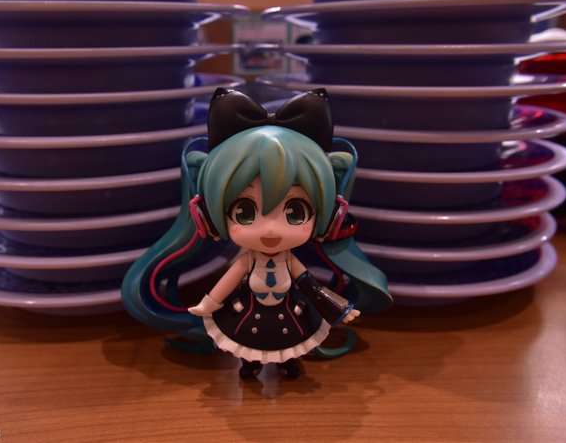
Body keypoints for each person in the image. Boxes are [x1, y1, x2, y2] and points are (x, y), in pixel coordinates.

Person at [121, 88, 392, 379]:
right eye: (244, 213)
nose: (271, 229)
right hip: (248, 313)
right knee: (245, 342)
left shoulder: (290, 262)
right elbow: (228, 281)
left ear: (331, 214)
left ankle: (288, 362)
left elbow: (312, 288)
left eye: (295, 212)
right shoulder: (246, 260)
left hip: (289, 314)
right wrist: (208, 304)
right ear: (206, 215)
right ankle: (250, 363)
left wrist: (339, 308)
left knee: (292, 342)